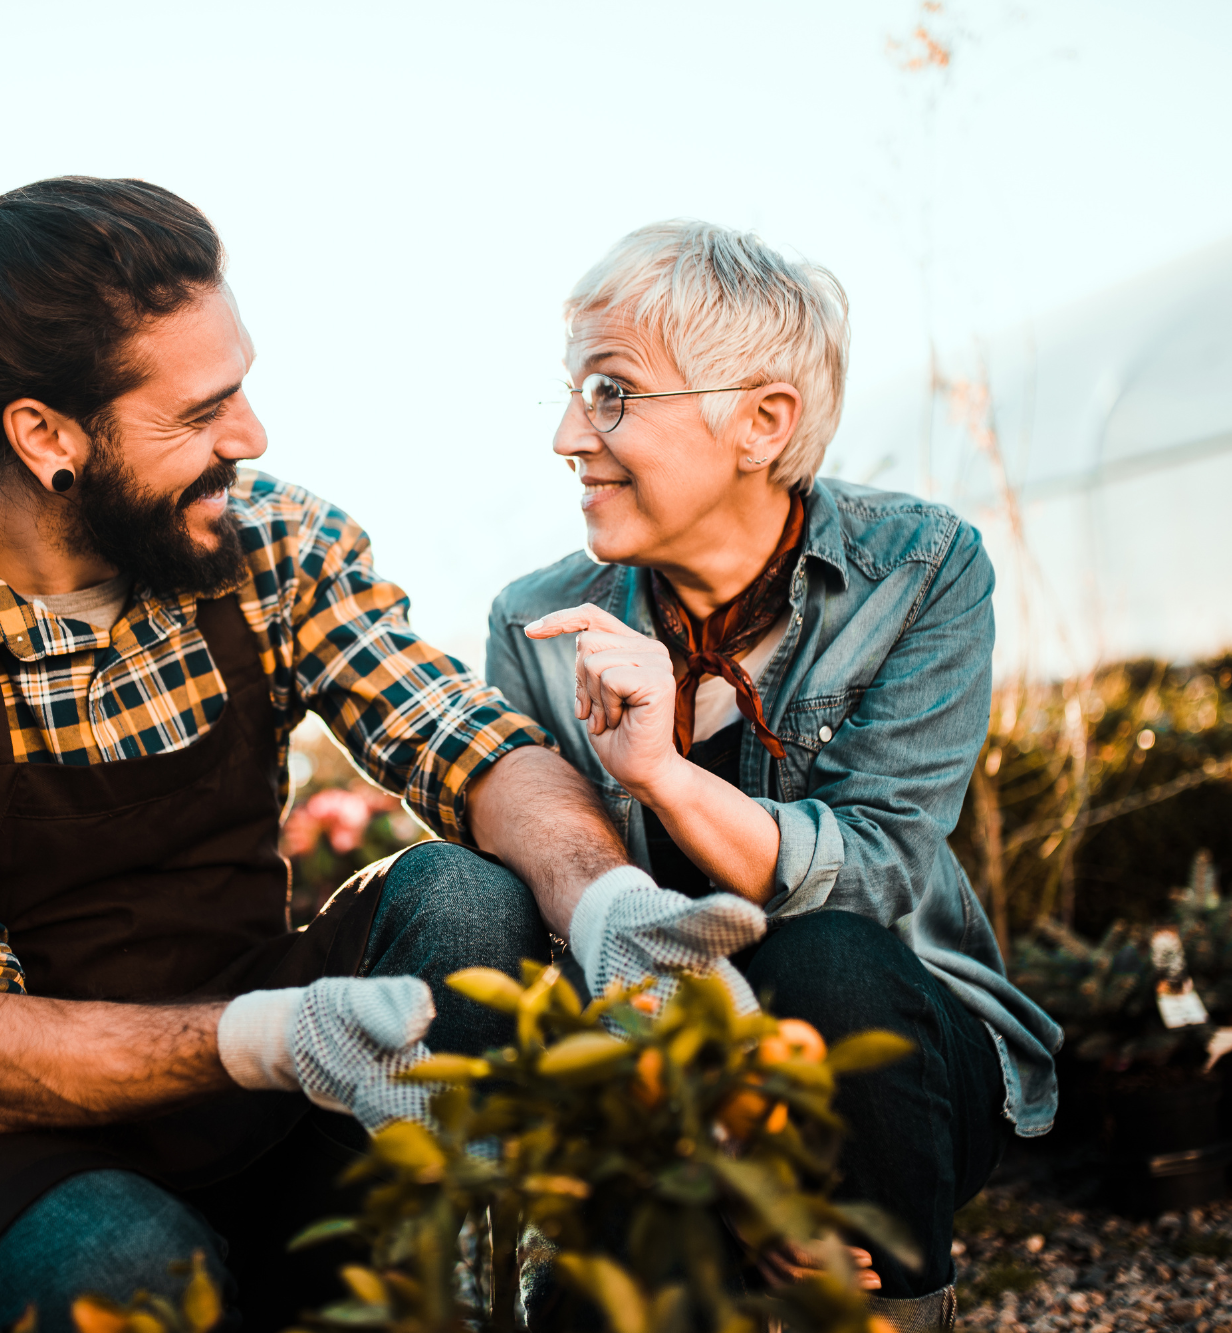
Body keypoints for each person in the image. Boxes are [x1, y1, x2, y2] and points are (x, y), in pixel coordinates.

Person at [0, 159, 765, 1332]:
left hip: (253, 1078)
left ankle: (446, 1289)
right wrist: (275, 1037)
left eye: (242, 387)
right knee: (131, 1266)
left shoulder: (267, 541)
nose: (251, 433)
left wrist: (604, 903)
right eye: (196, 412)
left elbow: (462, 738)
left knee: (465, 896)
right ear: (44, 434)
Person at [486, 221, 1063, 1328]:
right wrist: (728, 1156)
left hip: (893, 1061)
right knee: (588, 1297)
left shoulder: (917, 571)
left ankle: (897, 1306)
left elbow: (879, 872)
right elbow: (565, 922)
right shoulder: (537, 623)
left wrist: (660, 772)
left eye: (610, 393)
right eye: (570, 391)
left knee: (832, 955)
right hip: (659, 1056)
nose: (567, 433)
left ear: (761, 421)